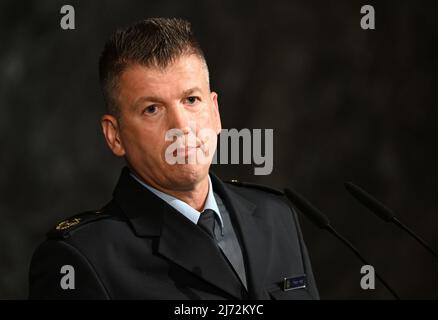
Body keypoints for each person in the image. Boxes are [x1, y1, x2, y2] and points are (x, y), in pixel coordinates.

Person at [28, 18, 319, 300]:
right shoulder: (81, 257)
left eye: (191, 100)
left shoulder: (276, 216)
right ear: (114, 135)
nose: (181, 127)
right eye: (152, 109)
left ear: (215, 112)